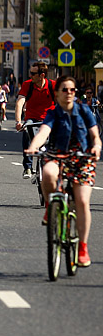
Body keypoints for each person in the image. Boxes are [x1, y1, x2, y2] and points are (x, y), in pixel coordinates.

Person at [25, 76, 102, 266]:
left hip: (82, 158)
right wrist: (33, 146)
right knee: (48, 175)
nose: (69, 93)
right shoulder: (53, 113)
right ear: (57, 93)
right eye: (65, 90)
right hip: (57, 155)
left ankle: (82, 247)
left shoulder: (84, 111)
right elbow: (43, 132)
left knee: (82, 201)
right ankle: (51, 208)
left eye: (72, 90)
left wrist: (97, 147)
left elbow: (95, 135)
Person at [15, 62, 56, 178]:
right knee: (27, 132)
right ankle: (27, 167)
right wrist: (18, 121)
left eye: (33, 74)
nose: (30, 76)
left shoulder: (53, 85)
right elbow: (20, 102)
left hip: (49, 118)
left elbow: (62, 103)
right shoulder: (28, 85)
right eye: (30, 73)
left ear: (42, 75)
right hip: (32, 119)